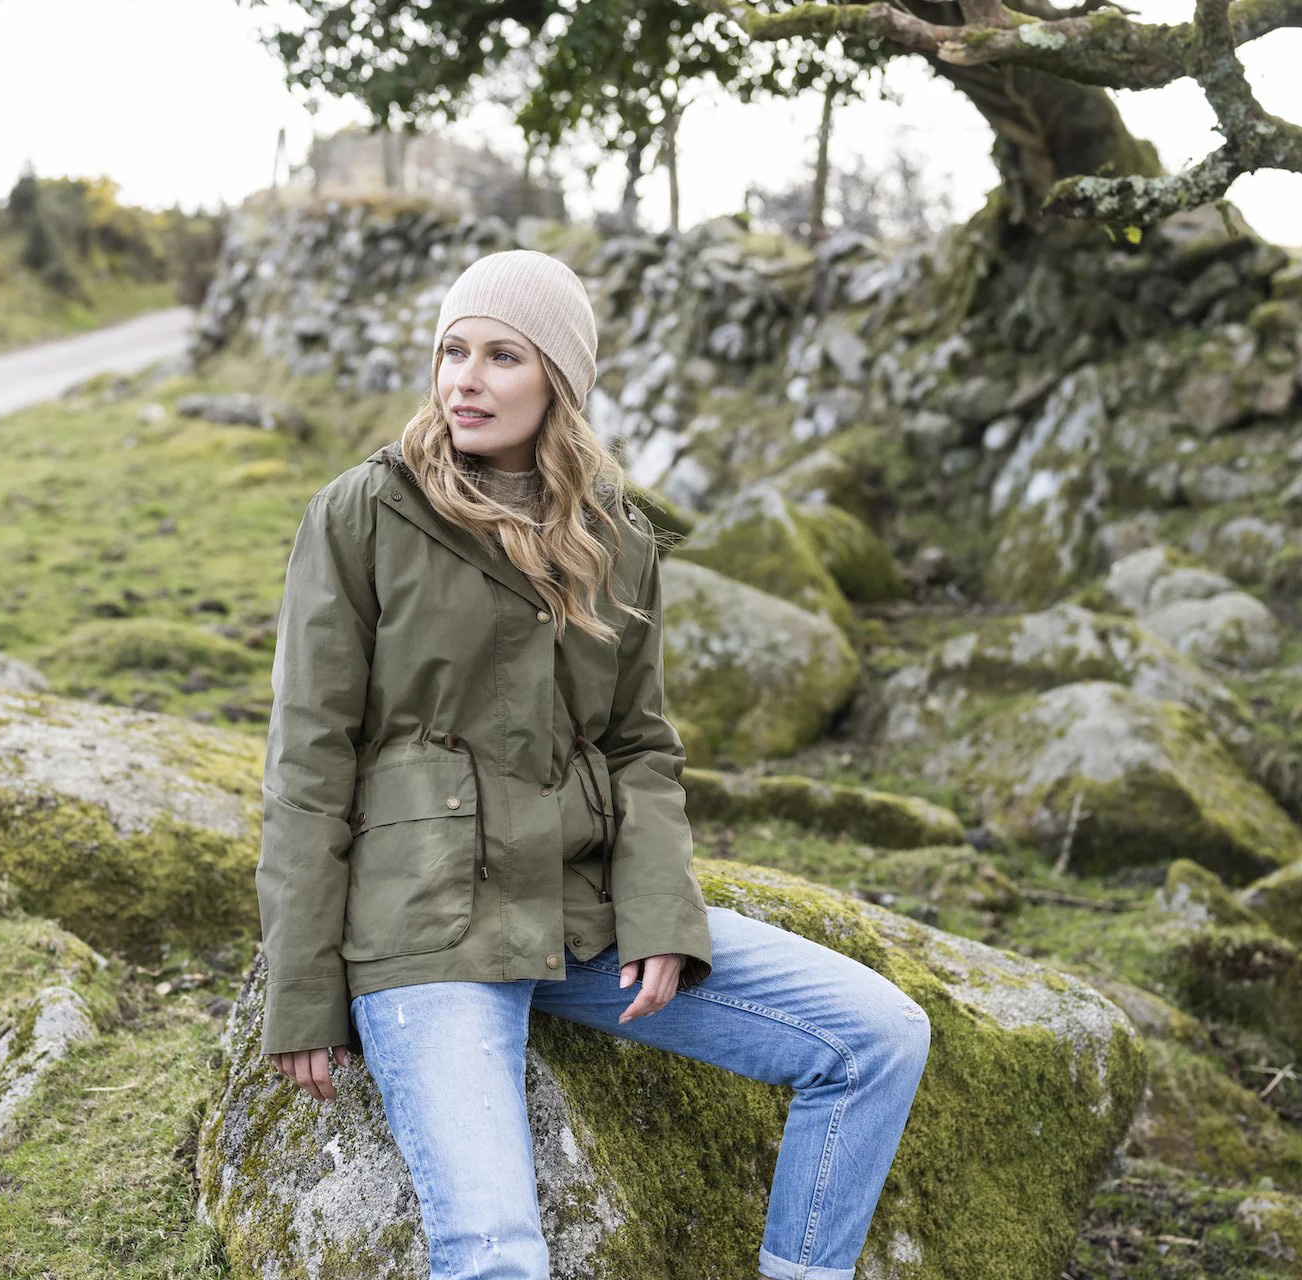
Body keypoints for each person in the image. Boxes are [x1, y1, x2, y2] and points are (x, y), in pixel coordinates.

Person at [256, 248, 931, 1280]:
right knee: (497, 1255)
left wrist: (662, 911)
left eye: (500, 355)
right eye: (451, 350)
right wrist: (304, 990)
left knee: (876, 1036)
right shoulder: (363, 513)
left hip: (575, 912)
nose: (463, 379)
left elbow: (640, 747)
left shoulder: (617, 536)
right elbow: (308, 759)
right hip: (423, 924)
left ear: (557, 382)